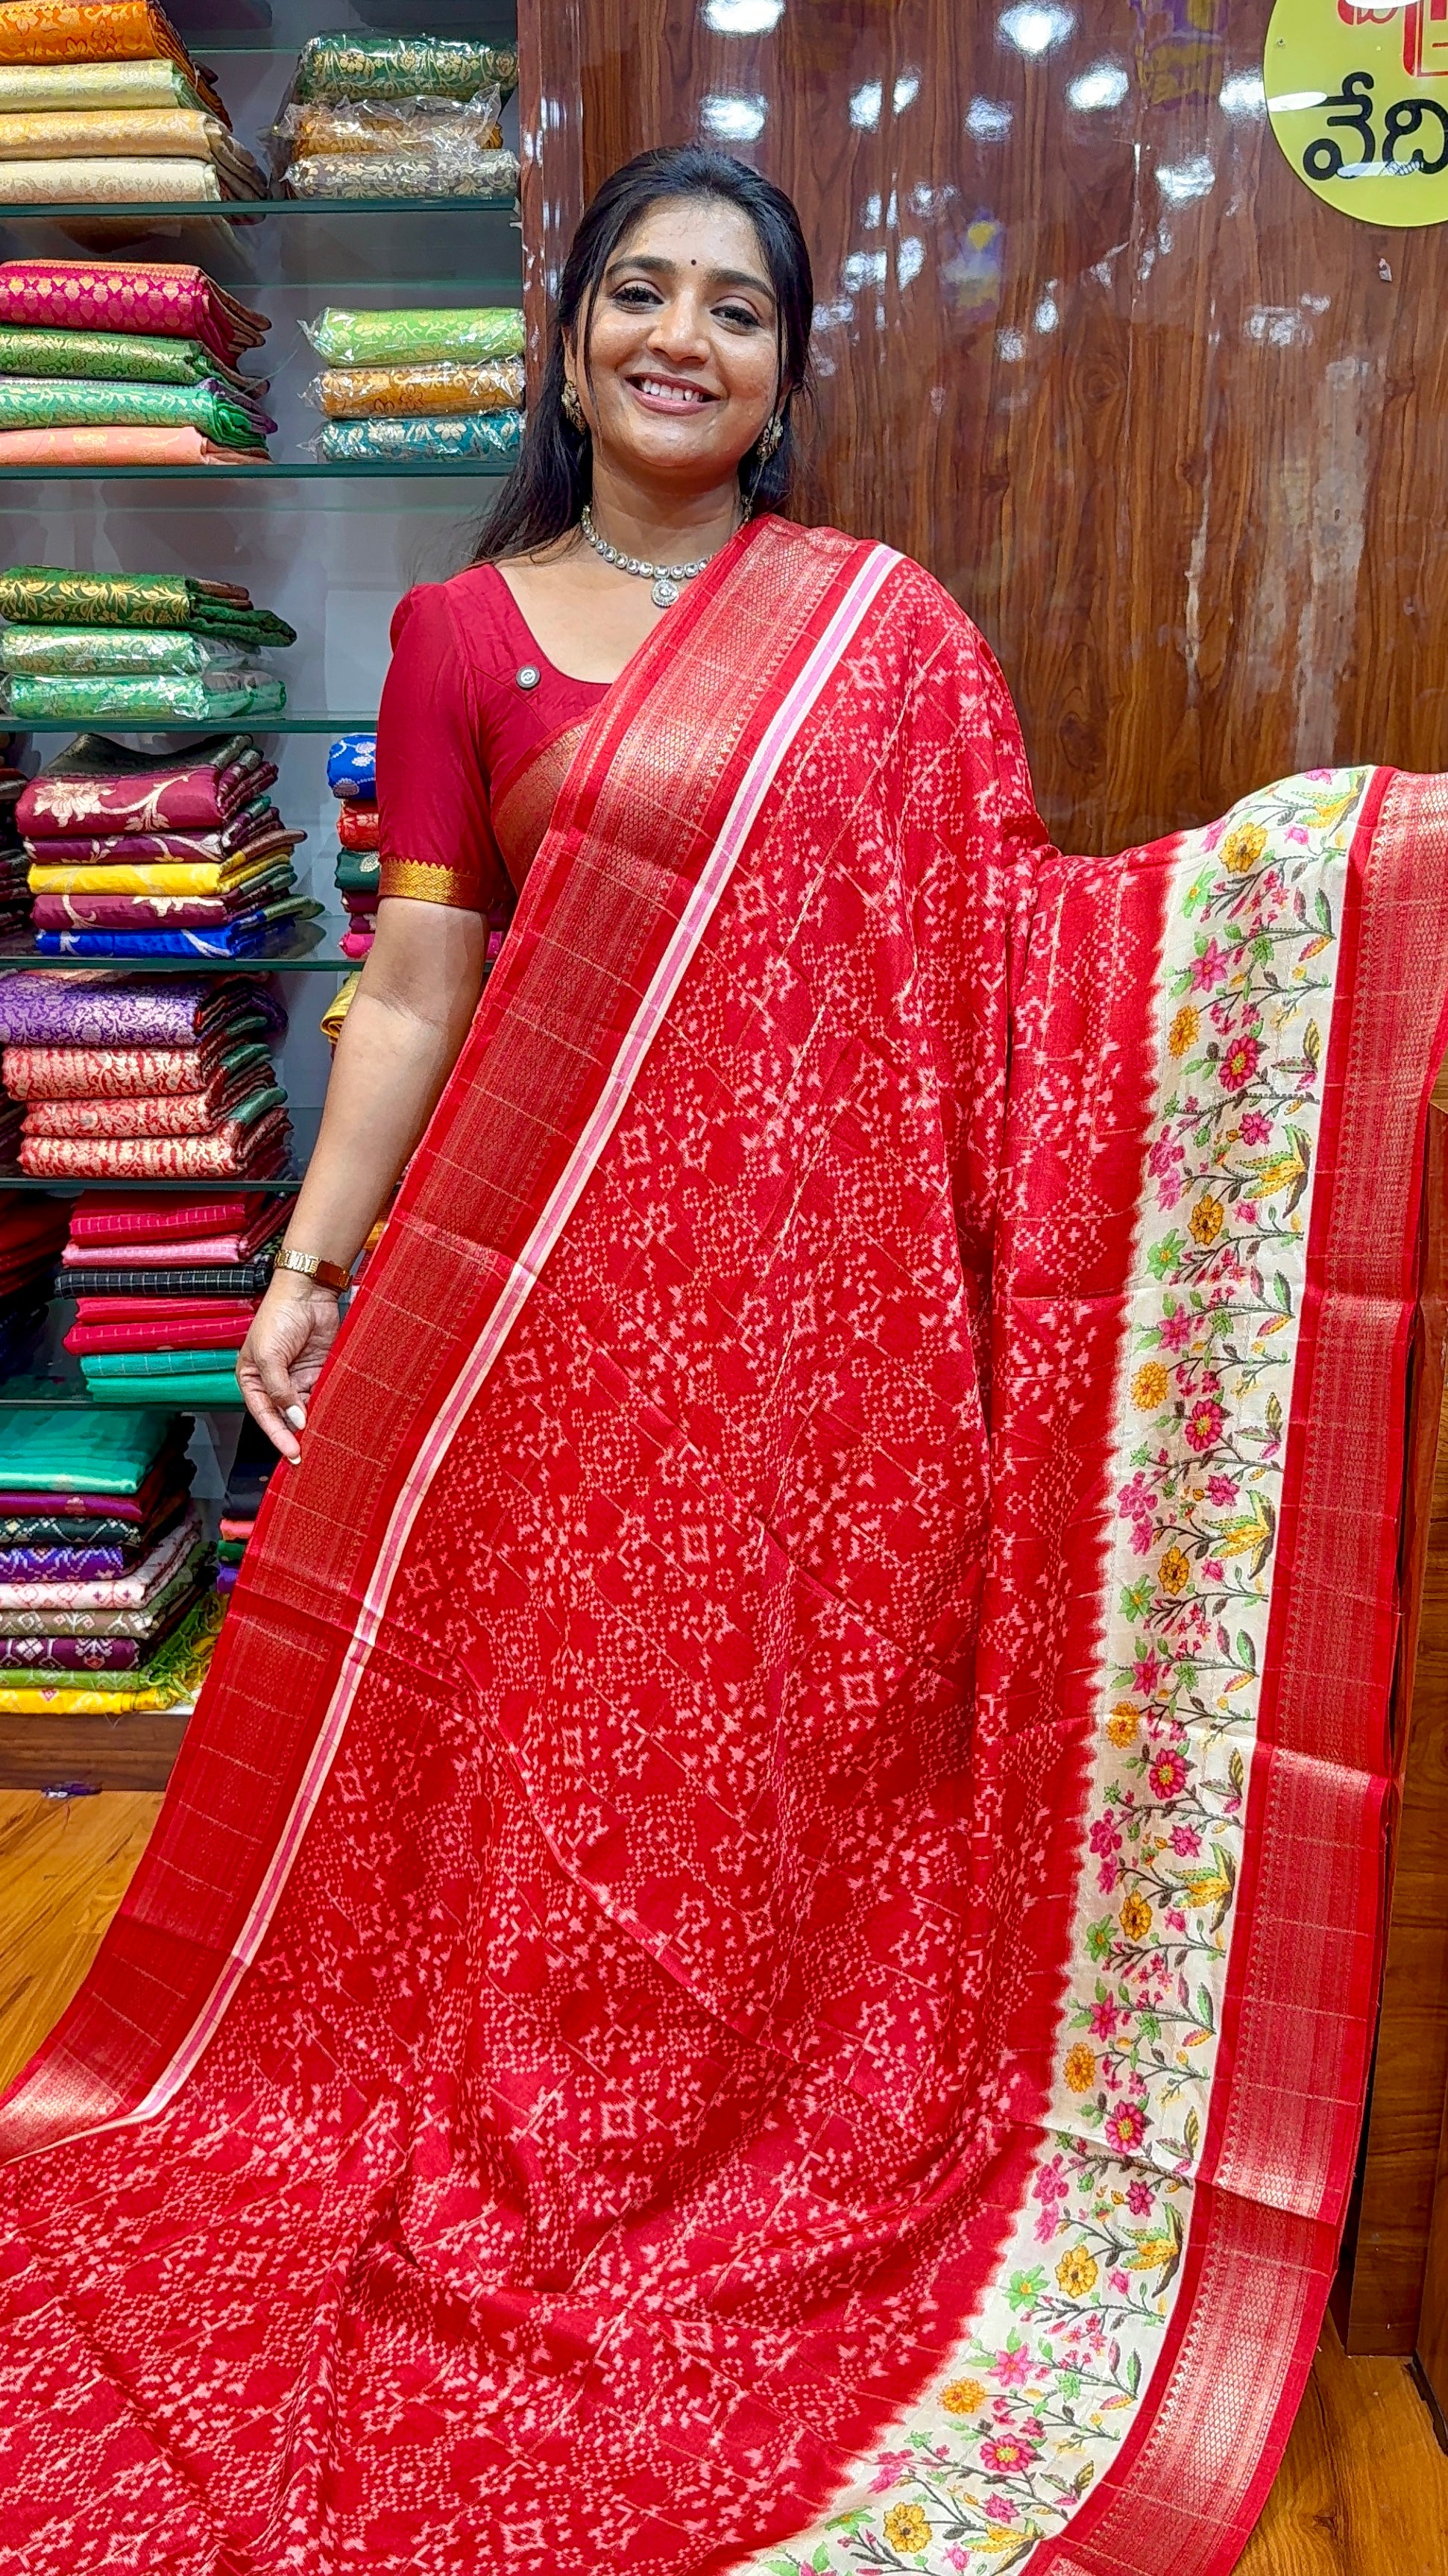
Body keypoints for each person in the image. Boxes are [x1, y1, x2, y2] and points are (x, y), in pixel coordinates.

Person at [1, 145, 1446, 2576]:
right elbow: (420, 981)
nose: (684, 337)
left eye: (737, 310)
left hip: (821, 1352)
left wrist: (1321, 882)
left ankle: (750, 2130)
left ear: (783, 377)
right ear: (569, 344)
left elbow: (1008, 962)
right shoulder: (461, 637)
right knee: (568, 1759)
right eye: (641, 293)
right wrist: (307, 1261)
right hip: (555, 1332)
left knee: (779, 1757)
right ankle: (546, 2130)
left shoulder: (886, 635)